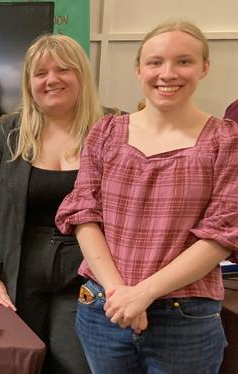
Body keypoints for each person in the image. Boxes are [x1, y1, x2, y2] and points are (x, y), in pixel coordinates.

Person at [56, 21, 237, 374]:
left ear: (204, 68)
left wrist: (144, 294)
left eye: (183, 61)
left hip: (185, 318)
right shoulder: (105, 132)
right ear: (139, 70)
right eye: (155, 62)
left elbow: (222, 232)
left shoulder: (225, 141)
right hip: (103, 307)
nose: (167, 73)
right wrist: (120, 293)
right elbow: (84, 214)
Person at [0, 34, 106, 374]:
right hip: (20, 267)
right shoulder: (6, 132)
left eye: (63, 69)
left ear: (81, 75)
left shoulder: (111, 129)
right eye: (40, 73)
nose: (52, 80)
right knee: (21, 360)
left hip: (87, 271)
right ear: (29, 83)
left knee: (74, 363)